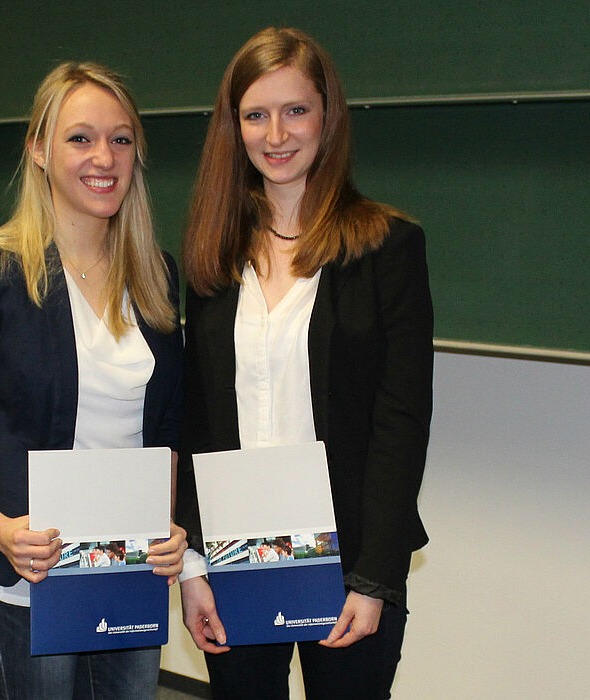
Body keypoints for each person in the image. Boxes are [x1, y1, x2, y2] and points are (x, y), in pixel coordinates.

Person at [0, 61, 187, 700]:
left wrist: (166, 526)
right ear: (38, 149)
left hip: (125, 572)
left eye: (121, 139)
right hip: (25, 576)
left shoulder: (156, 275)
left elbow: (166, 430)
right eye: (80, 138)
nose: (104, 158)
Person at [175, 27, 433, 700]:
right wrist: (193, 566)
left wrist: (374, 579)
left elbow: (401, 423)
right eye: (256, 115)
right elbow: (195, 423)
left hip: (349, 565)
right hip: (236, 557)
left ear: (328, 115)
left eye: (295, 110)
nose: (277, 134)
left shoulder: (387, 247)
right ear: (234, 128)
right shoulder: (210, 255)